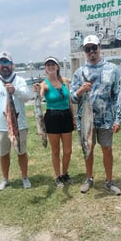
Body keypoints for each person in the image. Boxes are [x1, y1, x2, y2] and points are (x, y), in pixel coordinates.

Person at [70, 35, 121, 194]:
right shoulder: (79, 72)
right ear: (84, 51)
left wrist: (118, 118)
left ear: (100, 47)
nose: (91, 51)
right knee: (88, 148)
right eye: (87, 49)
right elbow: (72, 97)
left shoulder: (112, 69)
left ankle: (109, 181)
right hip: (86, 120)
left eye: (94, 48)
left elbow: (117, 95)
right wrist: (81, 90)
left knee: (107, 149)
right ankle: (89, 178)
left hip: (106, 119)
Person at [0, 51, 32, 191]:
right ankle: (5, 179)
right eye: (1, 63)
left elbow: (26, 97)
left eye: (7, 62)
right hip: (1, 126)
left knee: (21, 152)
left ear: (12, 65)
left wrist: (14, 90)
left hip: (19, 125)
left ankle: (24, 177)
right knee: (3, 154)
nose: (4, 65)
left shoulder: (20, 80)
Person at [33, 56, 75, 188]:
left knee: (68, 151)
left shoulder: (65, 81)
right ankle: (57, 176)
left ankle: (65, 173)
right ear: (45, 69)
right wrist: (37, 90)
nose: (50, 66)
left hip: (66, 116)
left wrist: (73, 118)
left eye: (53, 64)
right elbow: (40, 94)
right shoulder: (44, 84)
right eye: (48, 65)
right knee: (55, 151)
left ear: (57, 67)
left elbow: (70, 101)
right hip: (52, 117)